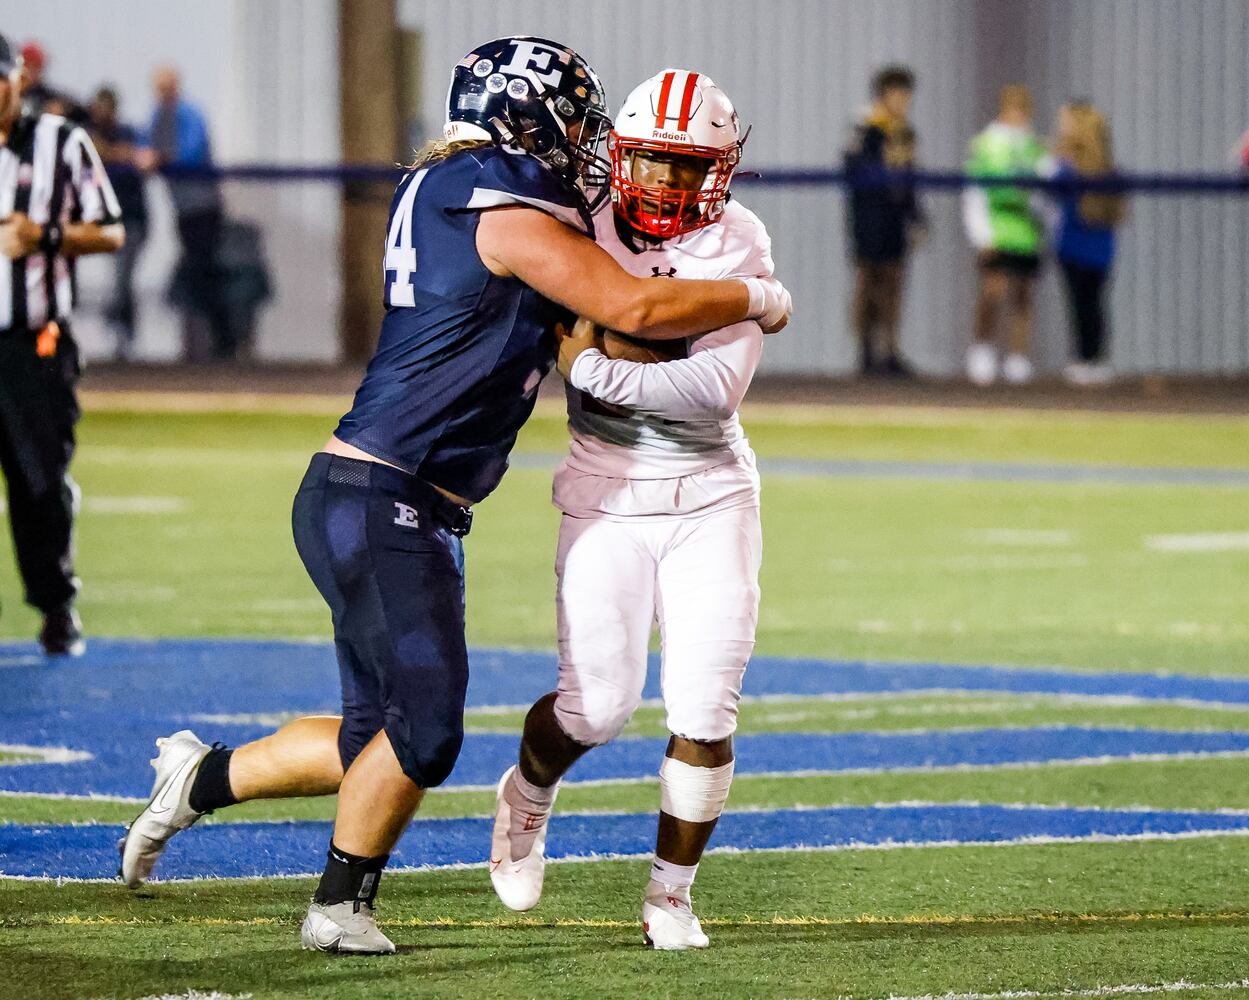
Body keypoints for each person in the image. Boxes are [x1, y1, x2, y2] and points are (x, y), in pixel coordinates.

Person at [117, 37, 791, 956]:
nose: (583, 142)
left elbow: (614, 340)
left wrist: (607, 346)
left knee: (374, 744)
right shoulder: (502, 207)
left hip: (388, 493)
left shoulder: (461, 186)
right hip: (386, 490)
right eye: (574, 119)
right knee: (426, 734)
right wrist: (755, 296)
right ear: (526, 114)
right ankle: (339, 906)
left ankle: (200, 779)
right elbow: (633, 312)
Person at [486, 69, 768, 951]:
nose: (670, 184)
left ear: (720, 169)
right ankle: (526, 794)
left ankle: (670, 898)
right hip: (605, 490)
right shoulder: (578, 219)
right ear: (621, 152)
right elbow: (642, 358)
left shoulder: (739, 235)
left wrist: (594, 358)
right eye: (654, 161)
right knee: (596, 709)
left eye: (692, 168)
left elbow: (709, 392)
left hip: (711, 495)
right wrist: (636, 343)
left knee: (704, 710)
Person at [0, 35, 124, 654]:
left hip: (33, 343)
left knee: (38, 481)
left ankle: (56, 602)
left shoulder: (60, 141)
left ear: (17, 79)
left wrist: (44, 234)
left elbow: (110, 230)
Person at [136, 66, 232, 359]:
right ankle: (206, 340)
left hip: (203, 207)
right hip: (182, 209)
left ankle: (222, 339)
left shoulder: (189, 113)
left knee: (204, 270)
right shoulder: (158, 116)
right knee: (194, 271)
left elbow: (192, 151)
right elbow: (144, 145)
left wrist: (159, 158)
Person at [843, 65, 925, 377]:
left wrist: (916, 218)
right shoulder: (865, 127)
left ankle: (889, 350)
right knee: (868, 282)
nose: (903, 100)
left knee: (893, 283)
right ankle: (865, 351)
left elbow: (911, 180)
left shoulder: (905, 131)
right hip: (868, 216)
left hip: (895, 219)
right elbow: (853, 170)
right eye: (897, 93)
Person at [963, 84, 1046, 386]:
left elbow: (1043, 191)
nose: (1018, 114)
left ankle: (1018, 357)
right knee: (992, 292)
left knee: (1023, 296)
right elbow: (974, 191)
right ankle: (982, 350)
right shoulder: (987, 143)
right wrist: (981, 233)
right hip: (997, 229)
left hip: (1025, 231)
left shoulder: (1034, 145)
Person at [1046, 102, 1126, 386]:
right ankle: (1088, 358)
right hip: (1078, 245)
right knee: (1085, 304)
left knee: (1089, 304)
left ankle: (1092, 359)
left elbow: (1116, 210)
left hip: (1090, 245)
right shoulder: (1070, 166)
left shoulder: (1095, 169)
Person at [88, 86, 148, 357]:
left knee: (123, 279)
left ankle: (124, 333)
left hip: (132, 218)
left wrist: (110, 152)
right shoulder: (86, 133)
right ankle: (119, 329)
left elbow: (135, 155)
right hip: (102, 220)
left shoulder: (128, 133)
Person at [17, 41, 85, 122]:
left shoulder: (49, 95)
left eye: (36, 67)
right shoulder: (13, 91)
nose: (32, 72)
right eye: (28, 66)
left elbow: (80, 112)